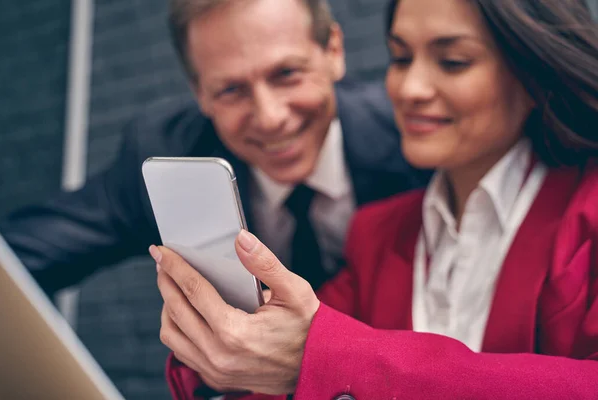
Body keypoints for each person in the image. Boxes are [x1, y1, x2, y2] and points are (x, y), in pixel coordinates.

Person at [154, 0, 598, 398]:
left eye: (453, 61)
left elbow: (323, 353)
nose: (409, 89)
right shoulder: (376, 234)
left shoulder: (587, 208)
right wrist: (220, 352)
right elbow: (290, 353)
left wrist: (330, 358)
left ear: (533, 72)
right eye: (400, 58)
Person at [0, 0, 425, 297]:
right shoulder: (165, 155)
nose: (270, 116)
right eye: (232, 89)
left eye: (287, 73)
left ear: (333, 51)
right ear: (199, 93)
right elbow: (22, 257)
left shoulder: (415, 135)